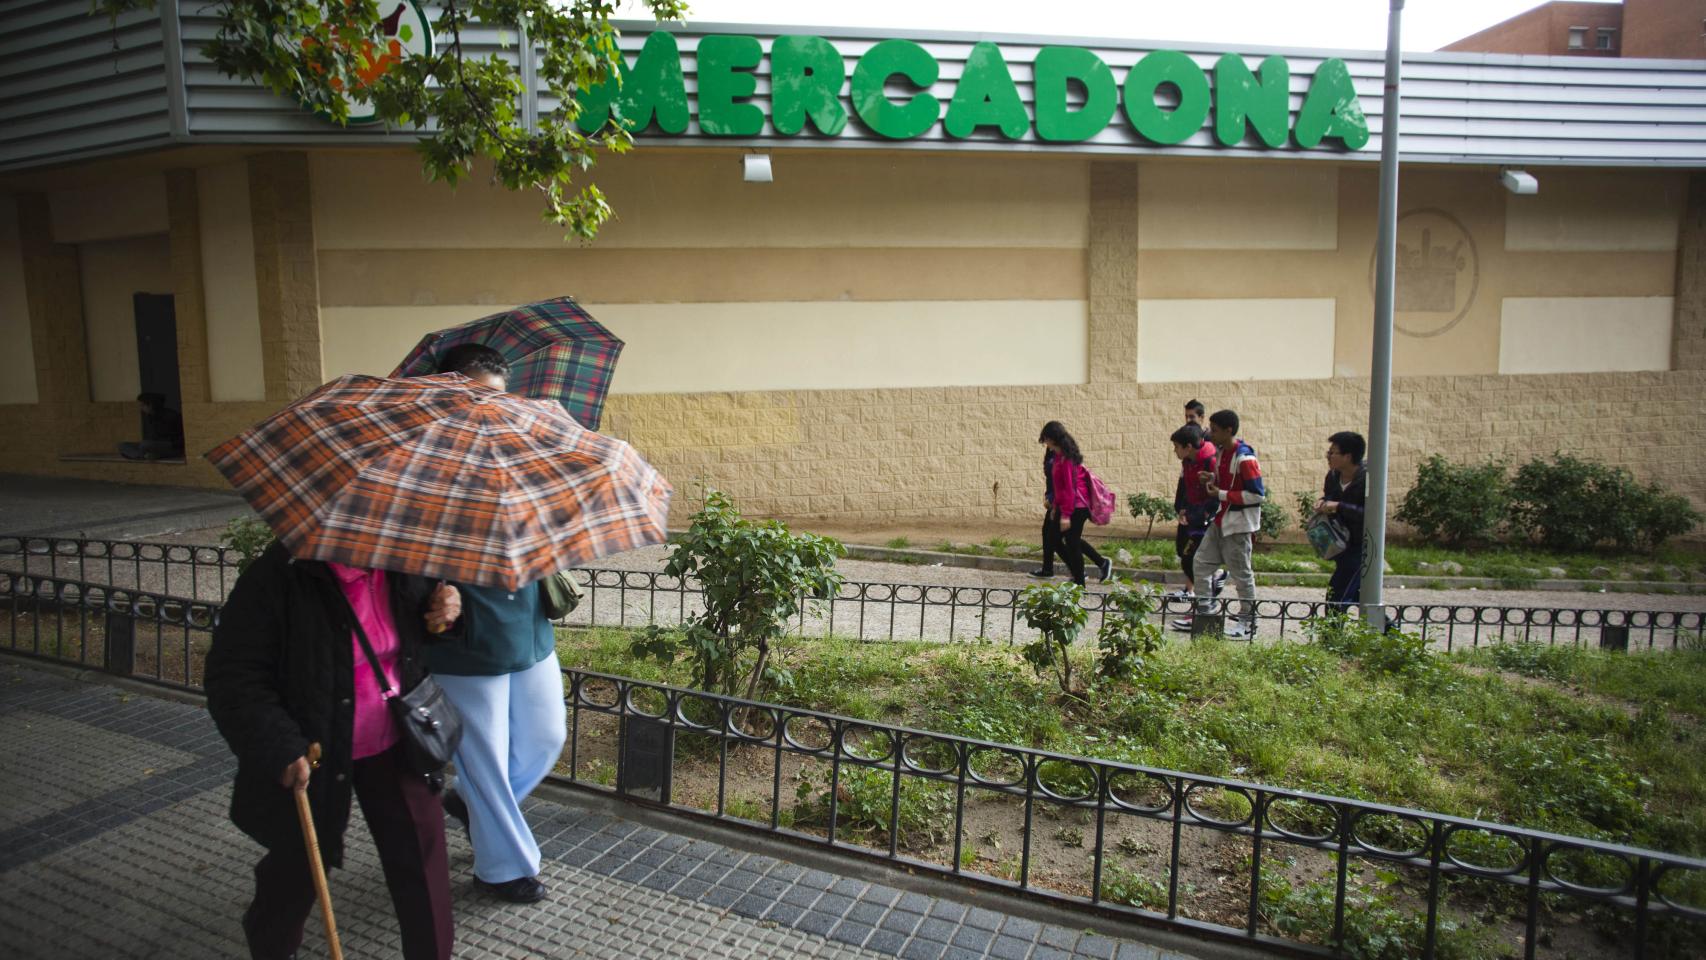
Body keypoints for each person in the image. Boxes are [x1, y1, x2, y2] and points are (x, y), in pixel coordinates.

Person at [205, 542, 462, 960]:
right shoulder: (280, 575)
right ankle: (273, 946)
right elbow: (233, 675)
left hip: (398, 741)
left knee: (423, 863)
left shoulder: (406, 561)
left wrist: (448, 610)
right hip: (312, 750)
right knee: (299, 868)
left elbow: (424, 631)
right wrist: (280, 746)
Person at [430, 344, 569, 905]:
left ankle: (471, 804)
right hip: (463, 633)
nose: (489, 409)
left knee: (545, 735)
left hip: (526, 620)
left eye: (496, 397)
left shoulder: (518, 450)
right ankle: (503, 867)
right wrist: (430, 591)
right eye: (475, 396)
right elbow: (394, 549)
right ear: (447, 391)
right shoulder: (425, 462)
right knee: (483, 752)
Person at [1175, 409, 1264, 638]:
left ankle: (1248, 622)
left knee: (1242, 574)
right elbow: (1226, 482)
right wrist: (1212, 479)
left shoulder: (1245, 458)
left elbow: (1257, 495)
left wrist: (1221, 493)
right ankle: (1206, 614)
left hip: (1240, 524)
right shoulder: (1222, 452)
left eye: (1214, 431)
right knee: (1201, 563)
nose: (1209, 435)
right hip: (1222, 520)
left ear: (1228, 431)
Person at [1030, 421, 1109, 581]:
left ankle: (1080, 580)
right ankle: (1081, 575)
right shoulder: (1059, 457)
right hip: (1067, 505)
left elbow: (1069, 488)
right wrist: (1054, 508)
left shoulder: (1066, 459)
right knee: (1057, 539)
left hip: (1077, 507)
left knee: (1071, 543)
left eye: (1045, 439)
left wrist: (1065, 515)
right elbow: (1059, 488)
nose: (1044, 443)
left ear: (1052, 438)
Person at [1314, 431, 1368, 608]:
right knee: (1361, 598)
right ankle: (1391, 633)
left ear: (1348, 456)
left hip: (1362, 547)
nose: (1328, 456)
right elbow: (1329, 497)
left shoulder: (1368, 478)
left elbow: (1370, 514)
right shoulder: (1333, 476)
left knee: (1337, 597)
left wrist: (1338, 506)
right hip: (1340, 543)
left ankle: (1332, 636)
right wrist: (1323, 502)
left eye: (1332, 452)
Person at [1167, 423, 1219, 600]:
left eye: (1176, 447)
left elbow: (1216, 492)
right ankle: (1206, 600)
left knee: (1195, 561)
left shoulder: (1210, 461)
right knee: (1187, 557)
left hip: (1207, 519)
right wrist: (1183, 507)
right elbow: (1189, 486)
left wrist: (1206, 514)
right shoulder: (1188, 461)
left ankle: (1206, 603)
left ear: (1188, 447)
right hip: (1193, 515)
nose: (1175, 451)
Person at [118, 391, 184, 460]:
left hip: (171, 446)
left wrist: (156, 443)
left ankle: (141, 455)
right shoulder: (151, 416)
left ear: (150, 405)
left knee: (145, 445)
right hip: (154, 445)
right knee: (122, 445)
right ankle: (144, 456)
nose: (141, 408)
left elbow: (179, 439)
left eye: (143, 405)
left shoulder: (171, 416)